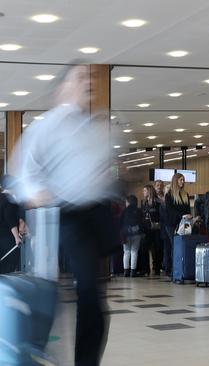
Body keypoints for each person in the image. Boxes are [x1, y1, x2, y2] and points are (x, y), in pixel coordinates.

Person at [10, 62, 119, 366]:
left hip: (97, 213)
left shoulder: (96, 126)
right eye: (81, 77)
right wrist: (38, 193)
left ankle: (83, 356)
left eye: (92, 77)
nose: (90, 82)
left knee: (94, 296)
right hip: (69, 214)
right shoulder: (50, 124)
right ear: (63, 88)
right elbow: (23, 168)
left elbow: (101, 172)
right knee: (85, 291)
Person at [163, 173, 192, 276]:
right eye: (181, 180)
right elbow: (170, 210)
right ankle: (173, 269)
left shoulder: (185, 195)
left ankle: (182, 269)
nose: (183, 182)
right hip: (171, 224)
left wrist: (189, 216)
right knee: (175, 246)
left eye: (183, 180)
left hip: (184, 223)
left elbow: (187, 209)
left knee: (183, 245)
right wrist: (182, 215)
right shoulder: (169, 195)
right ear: (175, 181)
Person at [0, 176, 22, 274]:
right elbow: (10, 219)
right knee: (10, 263)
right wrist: (17, 237)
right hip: (7, 239)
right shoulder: (9, 199)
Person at [120, 195, 144, 277]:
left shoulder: (124, 210)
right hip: (137, 234)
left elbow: (121, 222)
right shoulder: (139, 210)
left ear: (128, 202)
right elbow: (142, 222)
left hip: (126, 234)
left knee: (126, 252)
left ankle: (126, 271)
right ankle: (133, 271)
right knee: (134, 252)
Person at [142, 184, 162, 275]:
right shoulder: (144, 202)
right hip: (147, 229)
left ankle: (157, 268)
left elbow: (161, 214)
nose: (143, 192)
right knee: (145, 248)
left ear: (149, 191)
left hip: (157, 228)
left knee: (157, 248)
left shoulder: (158, 202)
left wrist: (159, 223)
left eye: (145, 191)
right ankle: (146, 269)